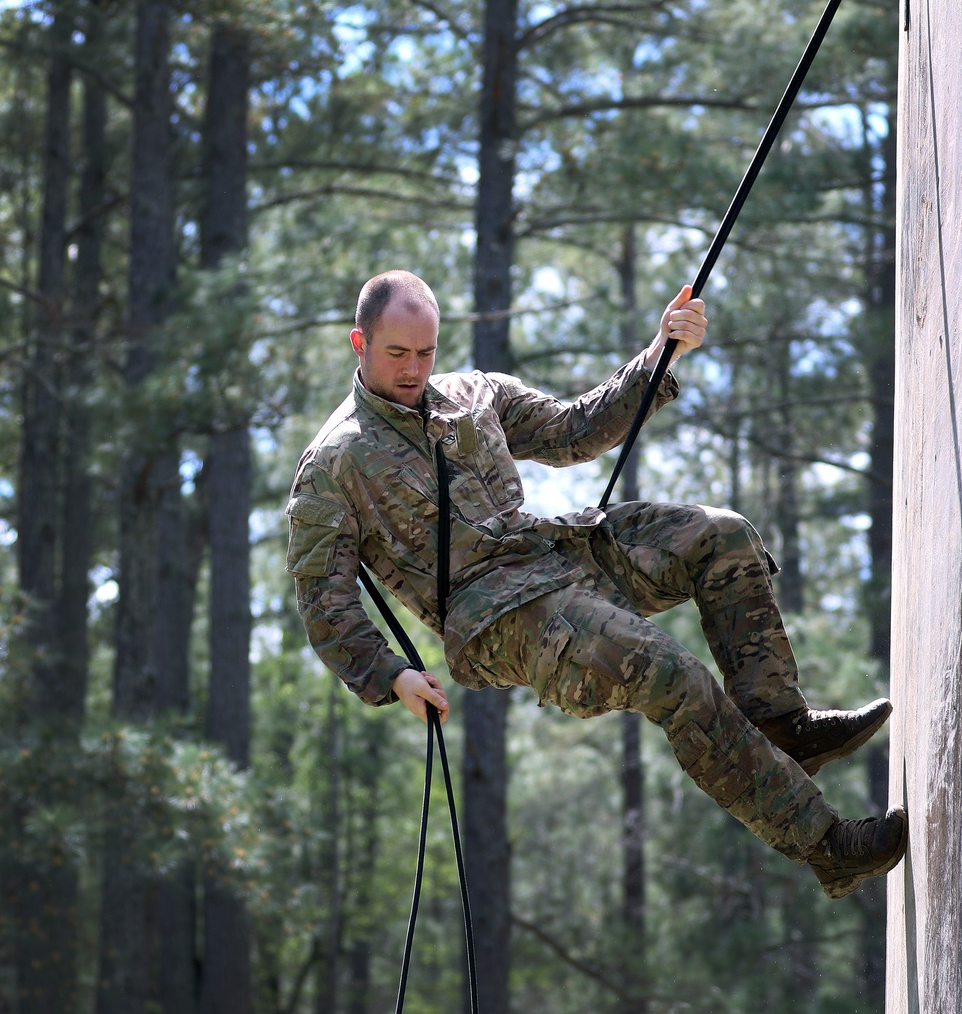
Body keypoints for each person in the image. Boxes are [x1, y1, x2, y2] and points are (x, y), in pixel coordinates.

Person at [285, 269, 906, 898]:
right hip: (498, 621)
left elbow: (572, 430)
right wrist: (390, 674)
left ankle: (780, 727)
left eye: (426, 352)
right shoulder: (335, 463)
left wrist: (660, 350)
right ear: (360, 345)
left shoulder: (471, 395)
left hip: (562, 556)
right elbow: (324, 603)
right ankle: (828, 846)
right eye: (397, 355)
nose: (415, 370)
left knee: (722, 537)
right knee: (673, 676)